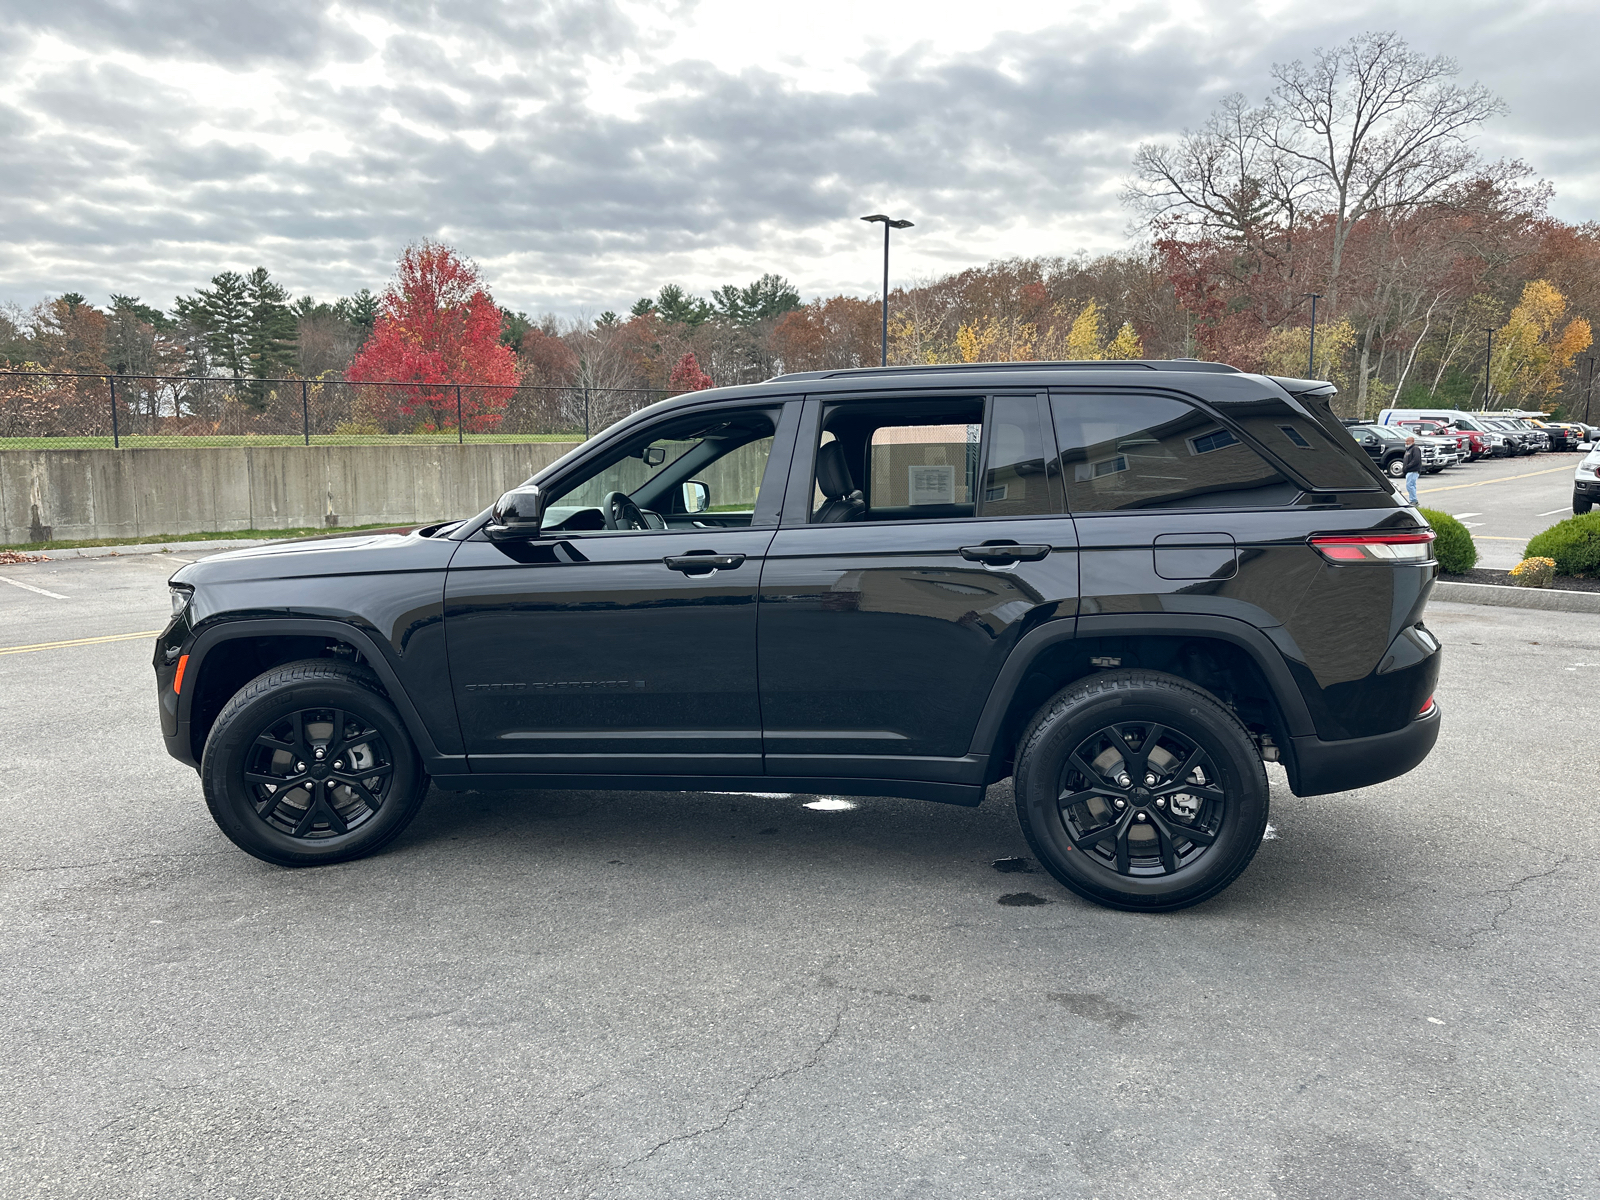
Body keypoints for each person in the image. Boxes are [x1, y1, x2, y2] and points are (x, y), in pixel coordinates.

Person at [1402, 436, 1422, 506]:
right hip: (1409, 471)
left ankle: (1414, 500)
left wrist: (1407, 467)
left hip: (1413, 470)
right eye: (1406, 441)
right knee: (1410, 485)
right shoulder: (1408, 449)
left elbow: (1416, 460)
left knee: (1410, 485)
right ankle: (1413, 500)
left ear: (1412, 442)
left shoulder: (1415, 449)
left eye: (1408, 441)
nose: (1406, 443)